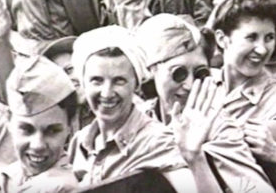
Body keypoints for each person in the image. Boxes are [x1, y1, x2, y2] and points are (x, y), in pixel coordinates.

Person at [69, 25, 223, 192]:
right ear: (83, 83)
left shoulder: (157, 142)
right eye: (97, 81)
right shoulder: (80, 141)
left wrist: (195, 158)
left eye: (119, 81)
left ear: (136, 84)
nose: (107, 93)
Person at [135, 13, 275, 193]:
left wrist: (196, 157)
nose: (190, 84)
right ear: (152, 70)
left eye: (200, 73)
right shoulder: (142, 118)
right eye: (179, 73)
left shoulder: (218, 127)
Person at [207, 0, 276, 192]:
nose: (262, 49)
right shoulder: (201, 85)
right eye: (251, 37)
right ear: (222, 39)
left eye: (269, 37)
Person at [0, 55, 78, 192]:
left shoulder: (62, 187)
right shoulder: (12, 174)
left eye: (52, 131)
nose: (38, 145)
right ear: (8, 120)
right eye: (27, 129)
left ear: (70, 126)